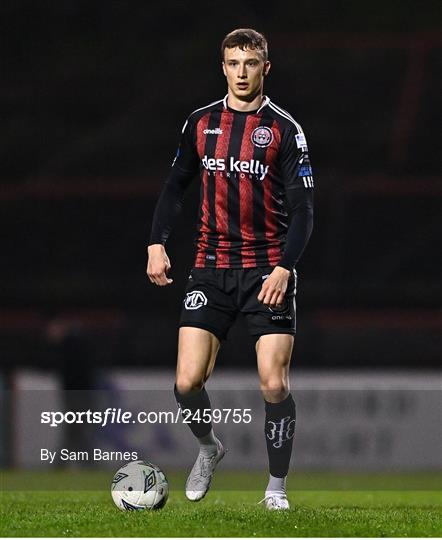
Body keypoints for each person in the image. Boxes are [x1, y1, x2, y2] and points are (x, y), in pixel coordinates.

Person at [147, 28, 314, 510]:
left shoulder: (284, 129)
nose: (242, 72)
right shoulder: (200, 123)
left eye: (251, 63)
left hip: (266, 270)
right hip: (210, 267)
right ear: (222, 67)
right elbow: (174, 186)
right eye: (233, 63)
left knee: (273, 382)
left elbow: (304, 210)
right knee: (186, 382)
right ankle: (208, 447)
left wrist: (285, 267)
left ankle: (275, 489)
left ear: (266, 67)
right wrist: (156, 243)